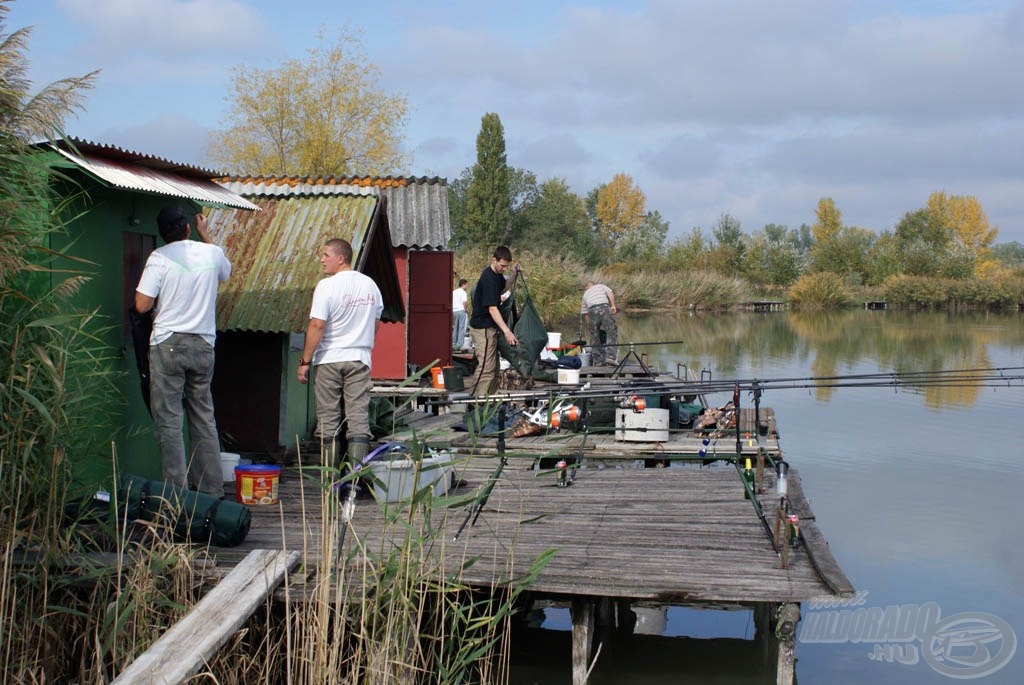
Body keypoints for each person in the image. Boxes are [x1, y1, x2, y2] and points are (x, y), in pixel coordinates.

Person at [135, 205, 231, 496]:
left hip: (169, 344)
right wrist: (207, 235)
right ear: (188, 227)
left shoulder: (159, 257)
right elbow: (225, 273)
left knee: (169, 420)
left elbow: (142, 305)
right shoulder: (212, 254)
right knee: (203, 417)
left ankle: (176, 494)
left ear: (163, 235)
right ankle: (212, 491)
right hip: (203, 344)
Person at [297, 238, 383, 467]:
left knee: (328, 418)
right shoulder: (370, 285)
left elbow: (317, 325)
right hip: (359, 358)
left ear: (341, 258)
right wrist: (360, 340)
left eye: (326, 255)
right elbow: (376, 324)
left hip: (329, 359)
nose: (322, 260)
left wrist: (305, 361)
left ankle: (330, 480)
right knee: (358, 417)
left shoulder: (326, 286)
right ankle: (355, 480)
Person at [468, 246, 519, 396]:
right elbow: (492, 309)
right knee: (486, 368)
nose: (504, 269)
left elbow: (503, 289)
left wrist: (513, 274)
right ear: (494, 260)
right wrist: (507, 331)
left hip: (491, 327)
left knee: (494, 368)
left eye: (506, 266)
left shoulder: (497, 275)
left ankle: (489, 399)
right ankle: (475, 401)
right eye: (502, 265)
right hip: (482, 328)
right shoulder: (488, 278)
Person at [581, 280, 618, 366]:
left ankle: (597, 361)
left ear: (587, 287)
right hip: (603, 308)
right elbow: (610, 292)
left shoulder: (585, 294)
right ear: (594, 285)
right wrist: (613, 305)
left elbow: (585, 314)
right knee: (611, 331)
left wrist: (590, 326)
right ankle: (611, 357)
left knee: (594, 336)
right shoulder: (601, 286)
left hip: (592, 311)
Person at [452, 278, 469, 350]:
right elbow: (464, 302)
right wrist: (465, 310)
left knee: (456, 327)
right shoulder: (463, 292)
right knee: (462, 327)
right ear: (463, 284)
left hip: (454, 311)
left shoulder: (454, 292)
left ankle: (454, 342)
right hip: (461, 310)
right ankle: (459, 344)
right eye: (466, 285)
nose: (467, 286)